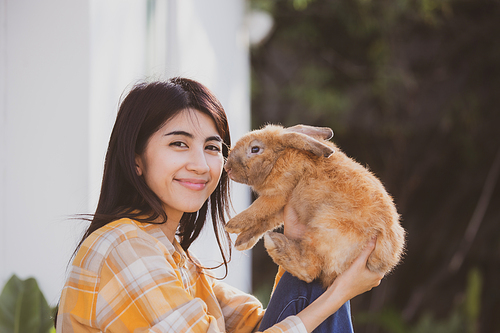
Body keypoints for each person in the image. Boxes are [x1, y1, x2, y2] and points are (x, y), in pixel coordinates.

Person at [56, 77, 383, 332]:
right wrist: (338, 294)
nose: (201, 164)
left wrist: (299, 235)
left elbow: (259, 323)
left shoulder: (174, 257)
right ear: (136, 158)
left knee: (315, 286)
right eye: (179, 143)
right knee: (321, 296)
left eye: (212, 148)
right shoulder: (124, 248)